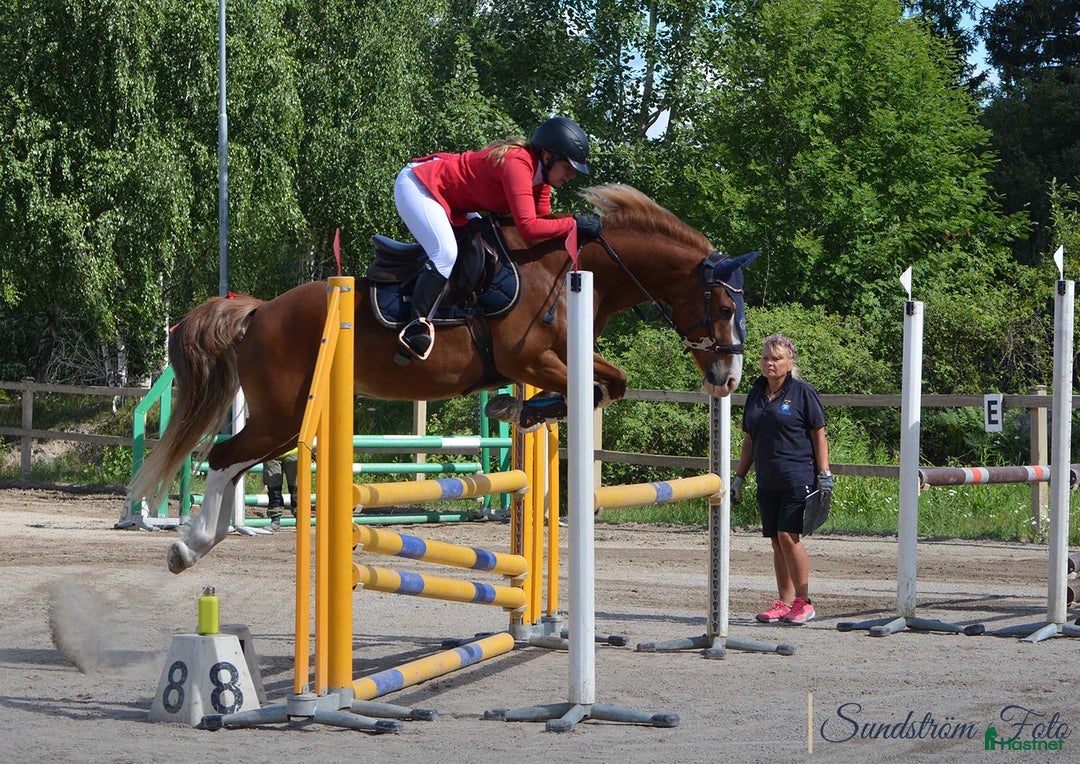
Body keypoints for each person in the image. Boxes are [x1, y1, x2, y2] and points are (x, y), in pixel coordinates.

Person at [392, 116, 604, 362]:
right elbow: (529, 227)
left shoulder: (542, 181)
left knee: (480, 247)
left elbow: (543, 224)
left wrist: (575, 227)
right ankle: (415, 326)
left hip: (454, 200)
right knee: (446, 252)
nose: (571, 175)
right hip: (421, 184)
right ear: (548, 156)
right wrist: (574, 224)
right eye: (568, 167)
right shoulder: (517, 164)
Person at [730, 334, 833, 625]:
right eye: (765, 358)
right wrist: (739, 476)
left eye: (776, 358)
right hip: (767, 478)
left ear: (790, 362)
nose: (770, 364)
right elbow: (749, 439)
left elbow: (818, 434)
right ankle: (785, 602)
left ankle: (804, 602)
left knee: (789, 536)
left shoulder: (803, 393)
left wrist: (824, 473)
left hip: (797, 475)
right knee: (776, 540)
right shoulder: (756, 393)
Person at [262, 448, 298, 531]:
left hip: (293, 451)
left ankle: (301, 519)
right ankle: (275, 520)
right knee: (273, 488)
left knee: (296, 489)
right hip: (271, 452)